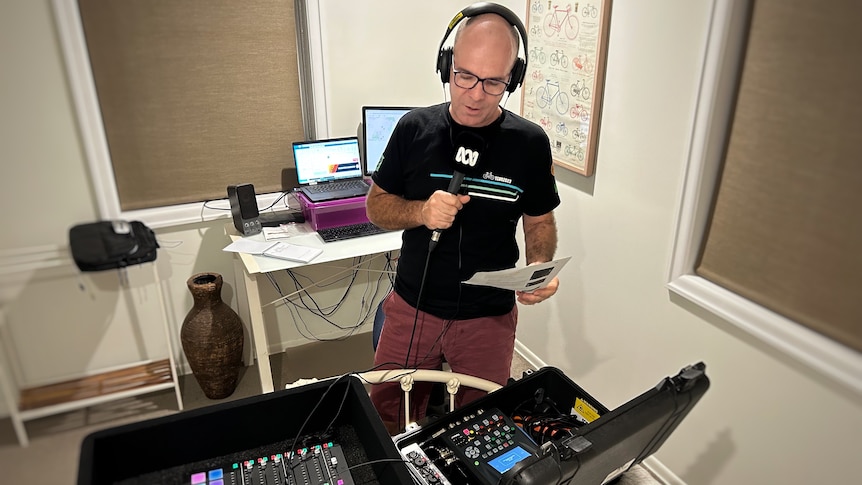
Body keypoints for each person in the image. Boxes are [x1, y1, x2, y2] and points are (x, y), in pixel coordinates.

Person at [365, 4, 560, 433]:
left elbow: (540, 222)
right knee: (387, 423)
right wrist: (421, 211)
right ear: (446, 66)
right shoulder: (413, 130)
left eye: (493, 82)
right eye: (465, 76)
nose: (475, 94)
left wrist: (537, 267)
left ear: (514, 77)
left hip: (488, 316)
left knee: (485, 430)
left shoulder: (530, 143)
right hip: (413, 306)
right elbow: (376, 207)